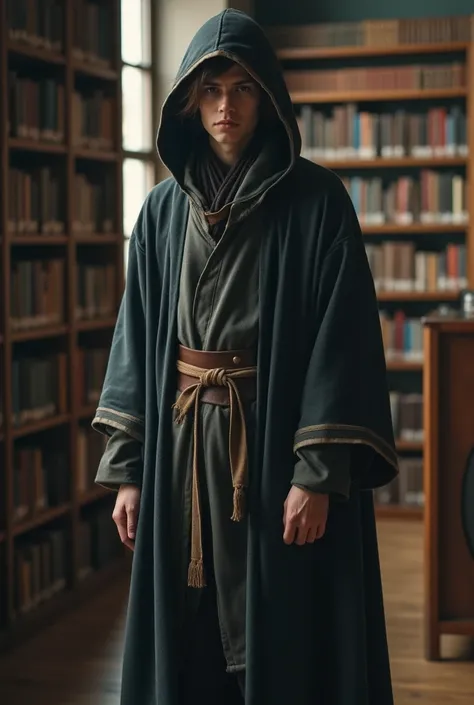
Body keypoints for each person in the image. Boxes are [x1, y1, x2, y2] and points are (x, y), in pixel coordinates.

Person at [91, 9, 399, 705]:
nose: (225, 107)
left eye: (241, 89)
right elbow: (136, 342)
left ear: (267, 96)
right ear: (190, 103)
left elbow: (341, 340)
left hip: (271, 449)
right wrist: (129, 470)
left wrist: (317, 473)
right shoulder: (163, 212)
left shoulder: (320, 203)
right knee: (189, 633)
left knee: (281, 632)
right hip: (180, 450)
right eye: (210, 91)